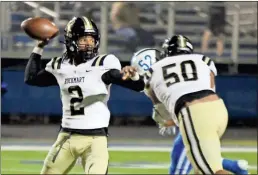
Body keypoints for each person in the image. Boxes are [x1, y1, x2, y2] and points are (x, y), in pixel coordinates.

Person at [24, 16, 144, 174]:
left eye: (91, 39)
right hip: (67, 136)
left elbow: (137, 85)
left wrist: (132, 76)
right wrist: (39, 46)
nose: (89, 44)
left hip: (96, 140)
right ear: (71, 41)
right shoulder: (60, 66)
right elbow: (31, 78)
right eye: (83, 39)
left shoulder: (102, 64)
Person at [123, 40, 249, 174]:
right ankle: (235, 166)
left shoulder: (154, 70)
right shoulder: (202, 60)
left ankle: (234, 167)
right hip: (218, 109)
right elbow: (210, 87)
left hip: (194, 113)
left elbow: (162, 112)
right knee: (203, 165)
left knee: (205, 171)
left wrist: (163, 120)